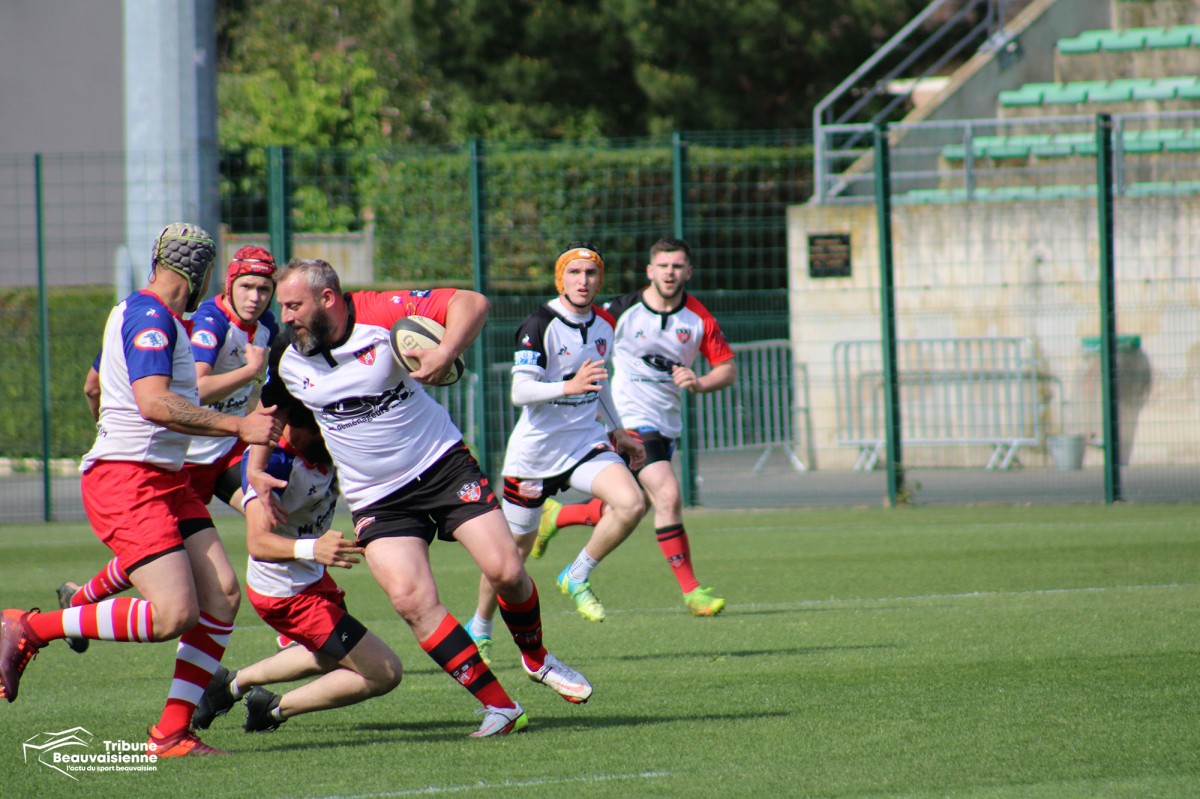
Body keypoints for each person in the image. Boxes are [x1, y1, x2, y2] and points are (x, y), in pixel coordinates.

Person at [247, 258, 592, 737]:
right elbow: (271, 412)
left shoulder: (379, 312)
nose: (285, 317)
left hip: (441, 465)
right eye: (283, 307)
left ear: (327, 298)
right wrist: (255, 470)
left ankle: (536, 658)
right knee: (411, 601)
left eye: (293, 306)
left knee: (505, 571)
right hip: (375, 497)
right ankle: (501, 708)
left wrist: (446, 351)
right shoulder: (287, 352)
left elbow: (472, 302)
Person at [0, 223, 283, 758]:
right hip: (131, 482)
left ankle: (171, 734)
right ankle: (30, 627)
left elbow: (92, 386)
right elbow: (153, 403)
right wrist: (238, 426)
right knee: (173, 614)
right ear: (200, 273)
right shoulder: (152, 317)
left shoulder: (141, 313)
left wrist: (110, 430)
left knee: (222, 595)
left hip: (164, 477)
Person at [58, 247, 280, 654]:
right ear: (222, 281)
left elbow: (93, 386)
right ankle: (71, 605)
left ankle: (283, 627)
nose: (255, 297)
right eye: (247, 286)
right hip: (184, 458)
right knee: (165, 568)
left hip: (222, 454)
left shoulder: (264, 325)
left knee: (265, 517)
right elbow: (193, 391)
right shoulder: (203, 324)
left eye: (264, 289)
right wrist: (249, 373)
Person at [531, 237, 736, 617]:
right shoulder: (620, 310)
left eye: (677, 266)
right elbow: (578, 328)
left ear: (688, 272)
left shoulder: (698, 318)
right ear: (650, 270)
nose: (670, 273)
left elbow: (727, 368)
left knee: (629, 507)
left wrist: (700, 382)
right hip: (629, 421)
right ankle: (691, 591)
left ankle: (558, 516)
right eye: (663, 266)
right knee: (667, 496)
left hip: (666, 423)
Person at [465, 242, 647, 662]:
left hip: (584, 442)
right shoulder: (539, 324)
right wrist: (569, 386)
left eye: (591, 273)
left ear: (599, 280)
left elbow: (597, 383)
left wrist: (618, 431)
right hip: (535, 455)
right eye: (574, 273)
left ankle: (576, 575)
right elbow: (520, 391)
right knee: (511, 558)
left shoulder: (604, 324)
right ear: (560, 279)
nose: (583, 281)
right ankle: (481, 625)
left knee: (632, 503)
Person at [192, 393, 402, 734]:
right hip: (287, 593)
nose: (330, 436)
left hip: (311, 579)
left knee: (328, 656)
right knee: (384, 671)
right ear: (296, 429)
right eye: (322, 429)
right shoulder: (273, 466)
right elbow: (258, 542)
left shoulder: (322, 447)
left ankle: (228, 686)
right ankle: (271, 710)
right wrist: (313, 548)